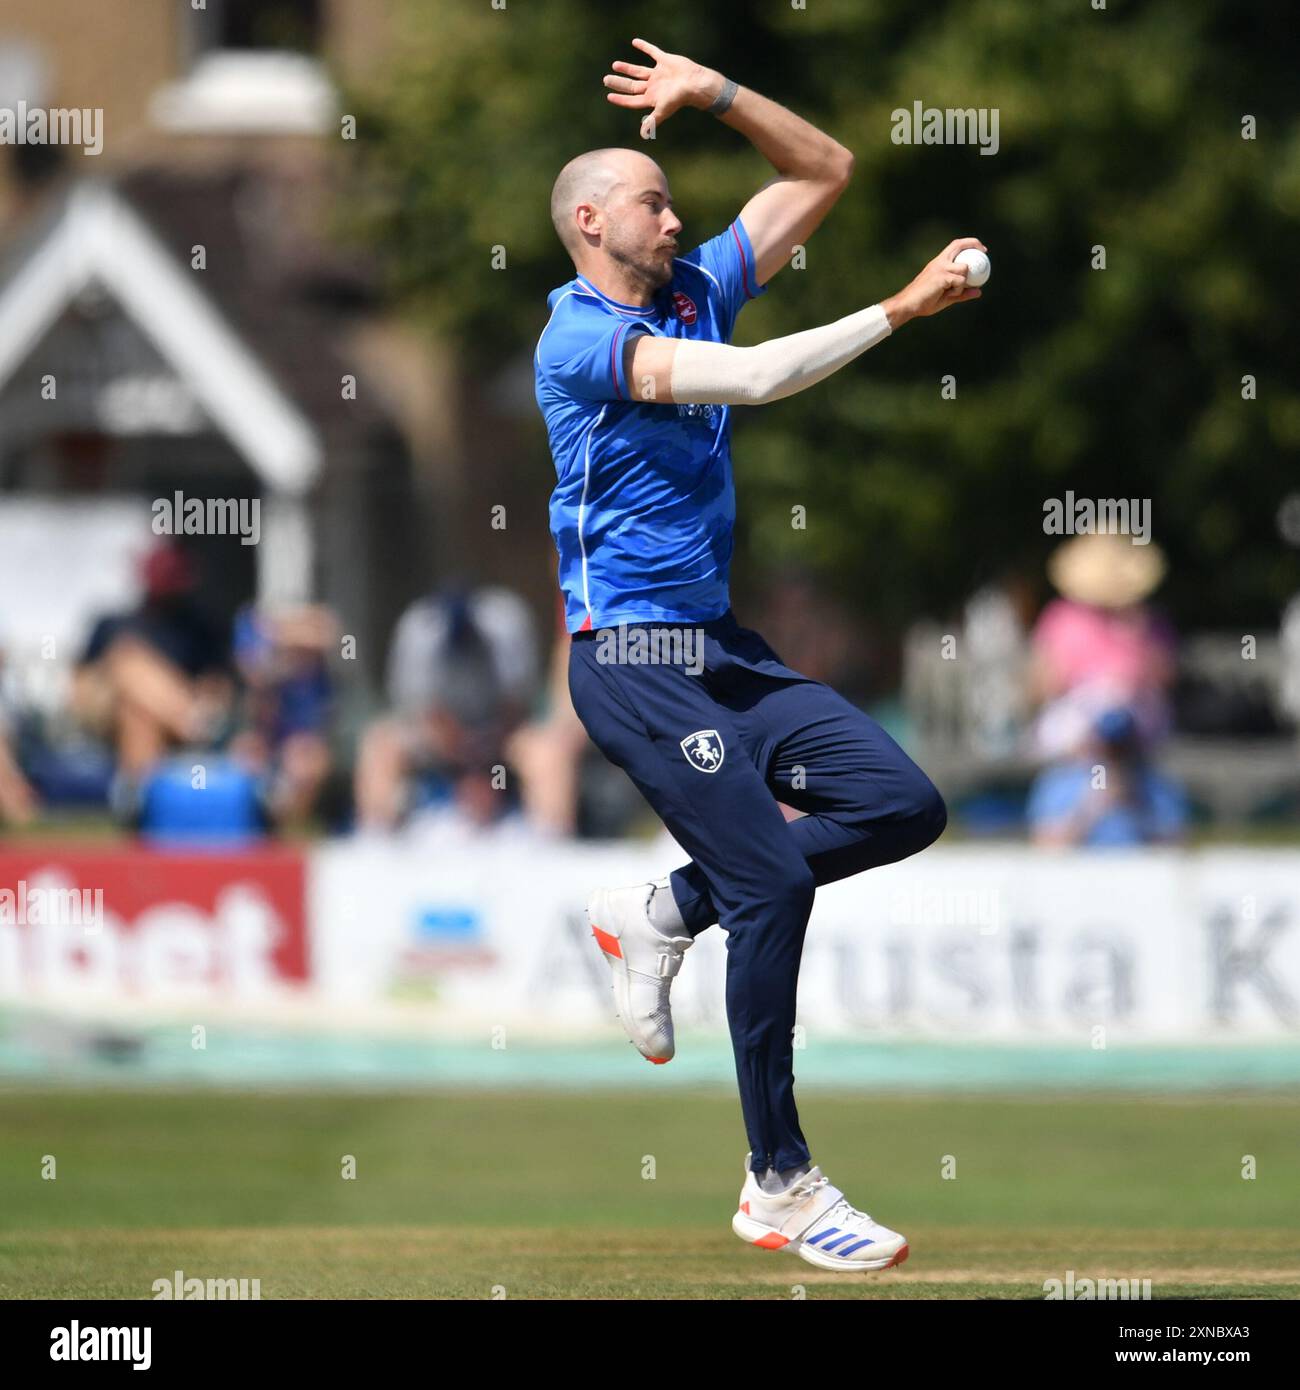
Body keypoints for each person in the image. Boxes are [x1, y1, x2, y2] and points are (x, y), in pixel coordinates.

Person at [534, 37, 982, 1274]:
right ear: (588, 221)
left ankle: (666, 903)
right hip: (630, 660)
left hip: (724, 652)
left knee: (900, 802)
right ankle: (777, 1181)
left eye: (673, 198)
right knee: (775, 886)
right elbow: (759, 379)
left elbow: (826, 165)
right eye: (651, 198)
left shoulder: (695, 283)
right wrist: (899, 308)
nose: (675, 214)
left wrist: (717, 95)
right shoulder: (575, 339)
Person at [1027, 706, 1189, 847]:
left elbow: (1174, 846)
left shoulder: (1157, 787)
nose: (1113, 756)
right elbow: (1046, 845)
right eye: (1107, 748)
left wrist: (1136, 808)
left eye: (1121, 749)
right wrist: (1093, 807)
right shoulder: (1061, 783)